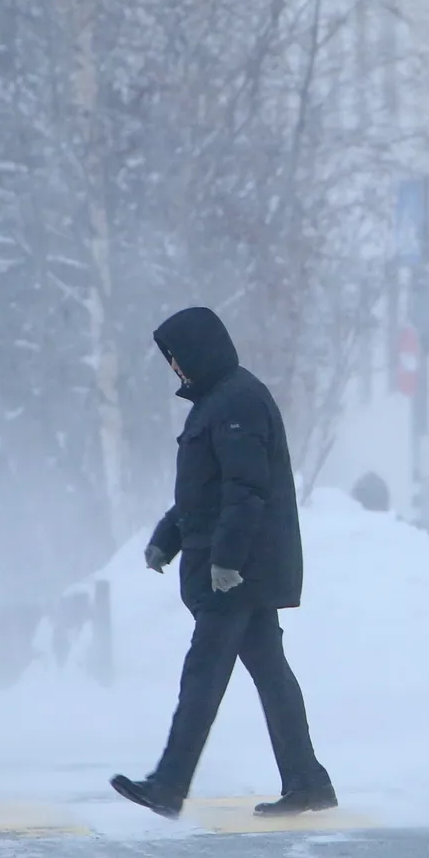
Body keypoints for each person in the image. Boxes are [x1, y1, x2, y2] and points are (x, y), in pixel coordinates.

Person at [111, 306, 337, 820]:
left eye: (177, 359)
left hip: (237, 573)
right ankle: (307, 781)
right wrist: (167, 538)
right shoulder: (219, 401)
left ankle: (170, 784)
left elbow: (246, 488)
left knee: (203, 676)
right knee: (271, 676)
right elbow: (205, 490)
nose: (175, 369)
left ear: (198, 352)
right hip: (232, 568)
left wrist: (227, 559)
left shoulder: (237, 401)